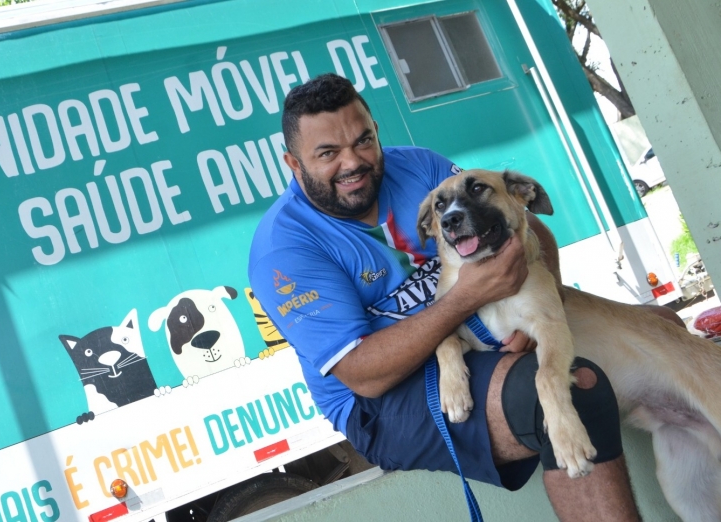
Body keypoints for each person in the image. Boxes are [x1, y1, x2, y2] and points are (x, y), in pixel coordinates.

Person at [248, 73, 641, 521]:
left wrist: (541, 310)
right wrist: (463, 301)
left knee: (658, 328)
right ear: (294, 164)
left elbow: (532, 231)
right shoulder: (284, 247)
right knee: (570, 391)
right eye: (328, 153)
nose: (353, 161)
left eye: (363, 141)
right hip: (383, 399)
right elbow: (363, 375)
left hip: (484, 323)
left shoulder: (420, 167)